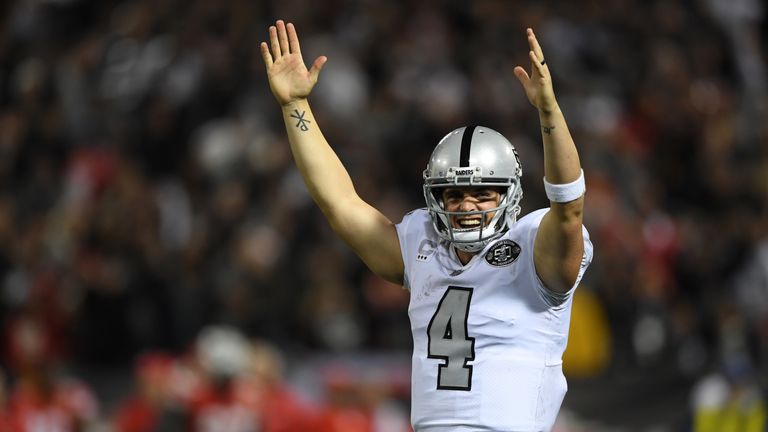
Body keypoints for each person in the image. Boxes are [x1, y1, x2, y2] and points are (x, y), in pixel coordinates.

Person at [260, 19, 593, 432]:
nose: (466, 204)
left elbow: (568, 206)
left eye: (482, 193)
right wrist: (296, 107)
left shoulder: (533, 249)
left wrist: (548, 111)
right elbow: (340, 203)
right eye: (453, 194)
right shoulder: (424, 246)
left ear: (509, 195)